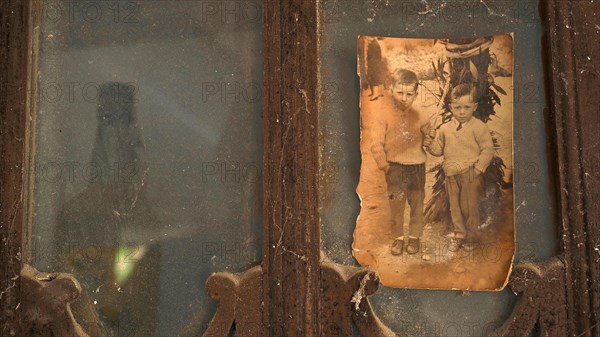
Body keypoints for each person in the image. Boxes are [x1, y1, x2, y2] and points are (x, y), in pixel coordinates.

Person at [425, 83, 494, 252]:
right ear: (451, 107)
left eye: (466, 107)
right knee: (454, 206)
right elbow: (438, 150)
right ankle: (459, 234)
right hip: (451, 174)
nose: (462, 112)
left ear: (475, 107)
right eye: (457, 107)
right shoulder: (444, 128)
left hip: (470, 173)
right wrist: (429, 145)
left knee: (469, 206)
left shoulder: (479, 127)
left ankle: (472, 235)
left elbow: (487, 149)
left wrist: (478, 169)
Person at [370, 69, 432, 255]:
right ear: (391, 89)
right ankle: (397, 238)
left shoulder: (422, 115)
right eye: (400, 92)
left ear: (415, 94)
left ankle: (414, 238)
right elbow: (376, 144)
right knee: (396, 205)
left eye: (409, 94)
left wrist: (429, 140)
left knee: (417, 203)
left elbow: (429, 138)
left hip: (417, 167)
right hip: (394, 167)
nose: (404, 98)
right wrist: (384, 165)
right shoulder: (383, 115)